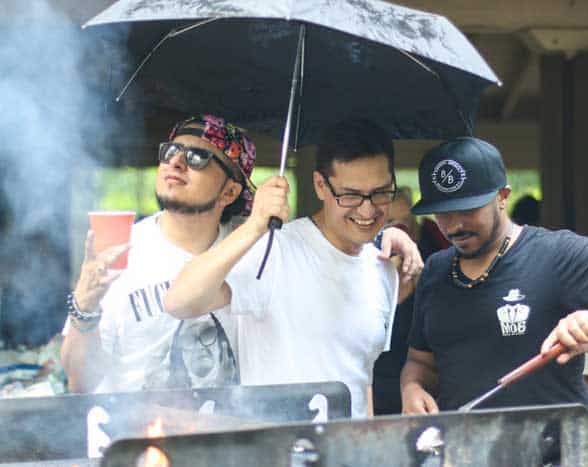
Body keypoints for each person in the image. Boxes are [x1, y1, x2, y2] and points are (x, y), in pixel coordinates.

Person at [400, 137, 588, 465]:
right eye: (443, 213)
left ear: (502, 197)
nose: (454, 225)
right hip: (466, 454)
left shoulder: (555, 254)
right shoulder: (435, 272)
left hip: (555, 455)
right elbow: (421, 363)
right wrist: (412, 388)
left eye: (467, 209)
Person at [165, 118, 423, 418]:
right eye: (350, 195)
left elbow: (361, 377)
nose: (367, 210)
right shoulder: (274, 250)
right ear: (320, 186)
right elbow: (179, 301)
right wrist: (255, 225)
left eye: (380, 193)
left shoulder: (383, 269)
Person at [60, 114, 267, 393]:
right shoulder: (121, 249)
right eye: (170, 151)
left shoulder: (255, 254)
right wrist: (84, 306)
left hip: (225, 432)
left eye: (198, 157)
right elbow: (81, 384)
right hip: (135, 433)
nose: (176, 162)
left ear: (229, 192)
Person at [372, 187, 449, 415]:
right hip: (366, 406)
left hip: (415, 409)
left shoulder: (430, 282)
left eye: (404, 223)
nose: (398, 232)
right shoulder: (357, 282)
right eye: (389, 223)